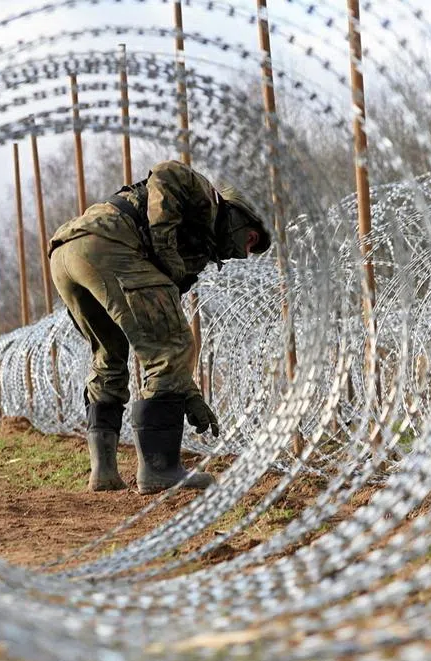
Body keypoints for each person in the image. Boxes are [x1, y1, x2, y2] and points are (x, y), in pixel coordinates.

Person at [48, 160, 272, 494]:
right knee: (172, 348)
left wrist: (188, 393)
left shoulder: (196, 251)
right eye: (250, 239)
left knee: (111, 354)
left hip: (67, 253)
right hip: (107, 245)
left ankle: (104, 472)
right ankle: (159, 471)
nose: (245, 251)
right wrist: (168, 256)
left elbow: (153, 335)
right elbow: (167, 173)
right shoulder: (207, 199)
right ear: (236, 214)